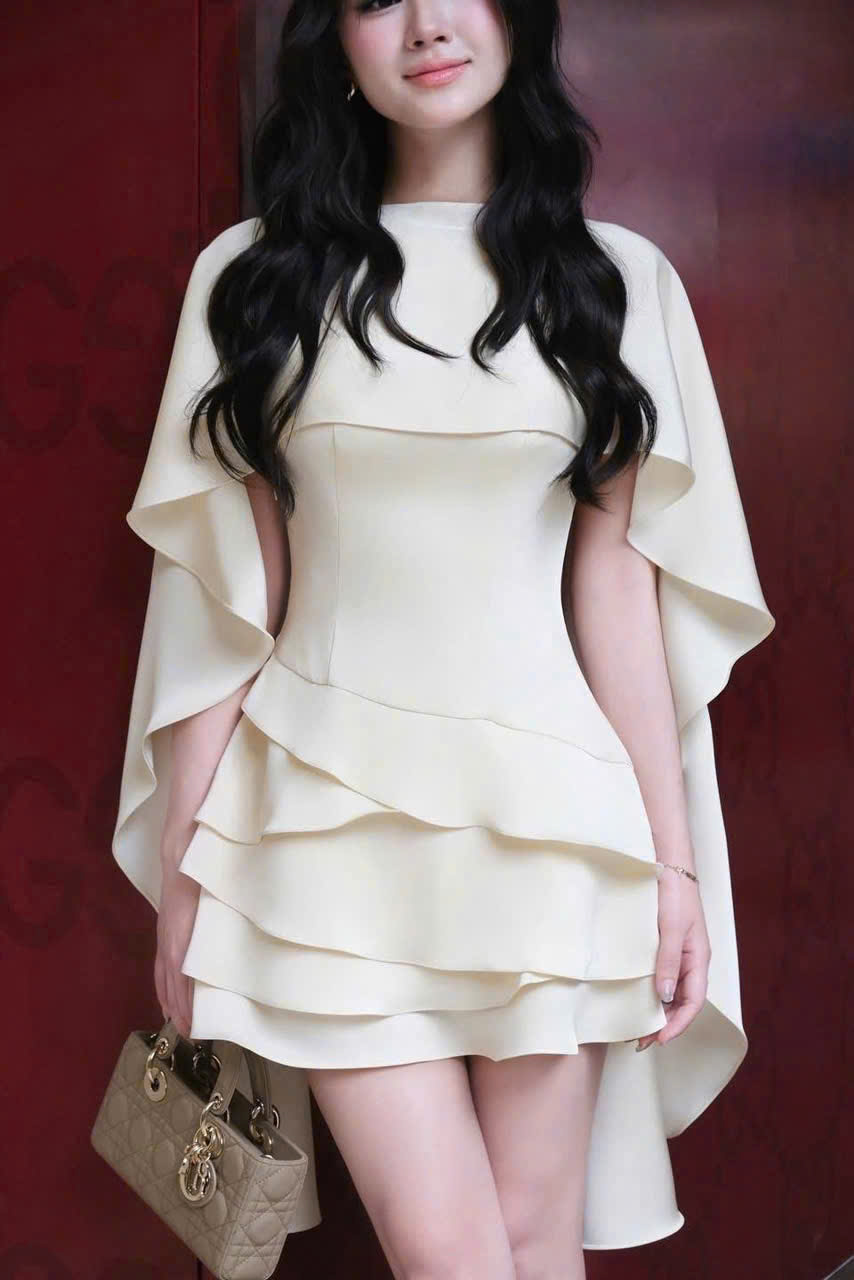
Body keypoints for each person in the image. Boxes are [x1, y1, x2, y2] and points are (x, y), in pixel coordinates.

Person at [111, 0, 775, 1276]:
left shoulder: (611, 279)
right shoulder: (255, 276)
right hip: (318, 828)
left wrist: (675, 868)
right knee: (453, 1257)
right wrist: (187, 879)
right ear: (337, 45)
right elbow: (230, 598)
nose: (424, 23)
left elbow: (615, 594)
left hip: (554, 826)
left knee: (532, 1245)